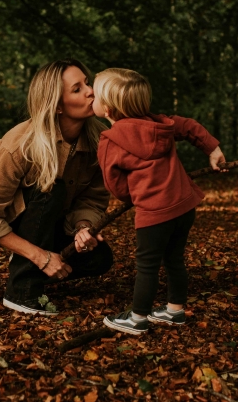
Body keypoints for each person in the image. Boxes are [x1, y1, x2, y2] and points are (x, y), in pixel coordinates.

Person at [0, 59, 114, 315]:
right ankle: (21, 292)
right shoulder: (21, 144)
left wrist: (82, 228)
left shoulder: (99, 140)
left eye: (87, 83)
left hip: (53, 221)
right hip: (13, 220)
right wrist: (40, 256)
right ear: (56, 106)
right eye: (77, 89)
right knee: (51, 189)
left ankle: (27, 262)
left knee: (100, 258)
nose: (91, 91)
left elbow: (93, 200)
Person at [91, 68, 225, 335]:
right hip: (185, 206)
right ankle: (175, 311)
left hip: (154, 213)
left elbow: (114, 183)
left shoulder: (109, 141)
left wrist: (132, 196)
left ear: (106, 109)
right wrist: (213, 148)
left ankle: (137, 318)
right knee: (174, 259)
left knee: (147, 266)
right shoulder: (160, 124)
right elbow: (189, 126)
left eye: (93, 95)